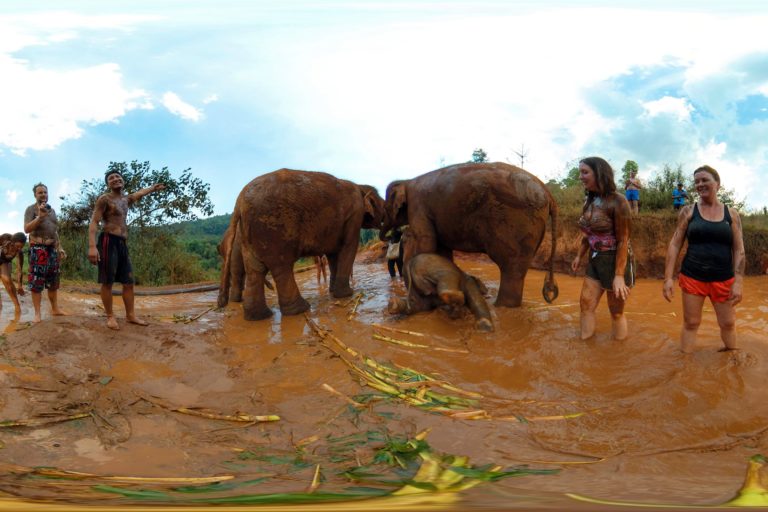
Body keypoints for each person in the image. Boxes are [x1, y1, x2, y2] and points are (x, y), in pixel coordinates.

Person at [662, 165, 744, 354]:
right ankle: (685, 367)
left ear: (717, 183)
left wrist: (738, 281)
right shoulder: (688, 212)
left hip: (723, 278)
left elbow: (739, 249)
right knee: (691, 323)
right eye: (697, 181)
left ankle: (732, 361)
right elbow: (675, 244)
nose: (700, 184)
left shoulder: (731, 215)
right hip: (693, 277)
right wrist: (668, 278)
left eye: (704, 180)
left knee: (728, 323)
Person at [87, 170, 165, 330]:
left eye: (117, 177)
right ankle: (110, 316)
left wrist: (153, 188)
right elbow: (94, 222)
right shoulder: (104, 199)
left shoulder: (125, 199)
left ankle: (130, 315)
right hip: (108, 240)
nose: (115, 179)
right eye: (111, 178)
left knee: (129, 282)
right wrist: (92, 246)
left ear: (123, 180)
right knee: (107, 282)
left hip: (122, 243)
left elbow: (139, 193)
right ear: (108, 183)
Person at [571, 157, 634, 341]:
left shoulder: (618, 201)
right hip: (595, 259)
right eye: (580, 172)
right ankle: (586, 347)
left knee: (616, 312)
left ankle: (618, 356)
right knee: (585, 305)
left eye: (585, 172)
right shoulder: (589, 200)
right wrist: (579, 256)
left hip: (616, 261)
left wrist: (619, 276)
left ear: (599, 173)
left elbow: (623, 240)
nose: (580, 176)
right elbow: (587, 234)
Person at [24, 183, 67, 323]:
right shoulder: (30, 209)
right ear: (35, 195)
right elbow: (26, 229)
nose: (43, 195)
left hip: (52, 250)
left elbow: (54, 231)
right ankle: (37, 313)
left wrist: (59, 248)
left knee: (53, 281)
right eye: (40, 192)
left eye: (45, 192)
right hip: (38, 249)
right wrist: (40, 217)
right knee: (36, 282)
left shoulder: (52, 211)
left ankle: (55, 309)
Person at [0, 232, 27, 315]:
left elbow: (19, 270)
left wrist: (19, 285)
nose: (19, 249)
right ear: (12, 242)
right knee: (4, 278)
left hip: (5, 262)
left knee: (7, 280)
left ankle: (17, 306)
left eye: (21, 247)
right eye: (17, 246)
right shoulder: (4, 238)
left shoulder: (20, 253)